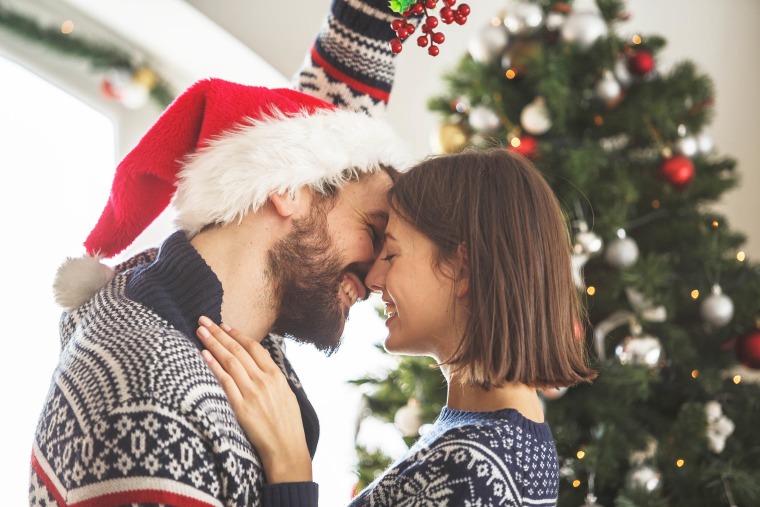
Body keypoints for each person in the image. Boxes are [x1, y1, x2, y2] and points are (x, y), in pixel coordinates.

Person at [29, 1, 413, 505]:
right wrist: (293, 483)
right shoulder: (151, 398)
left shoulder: (217, 337)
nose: (378, 273)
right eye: (372, 228)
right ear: (290, 188)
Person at [197, 148, 598, 506]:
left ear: (463, 270)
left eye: (390, 254)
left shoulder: (476, 471)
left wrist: (290, 467)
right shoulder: (487, 438)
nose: (372, 280)